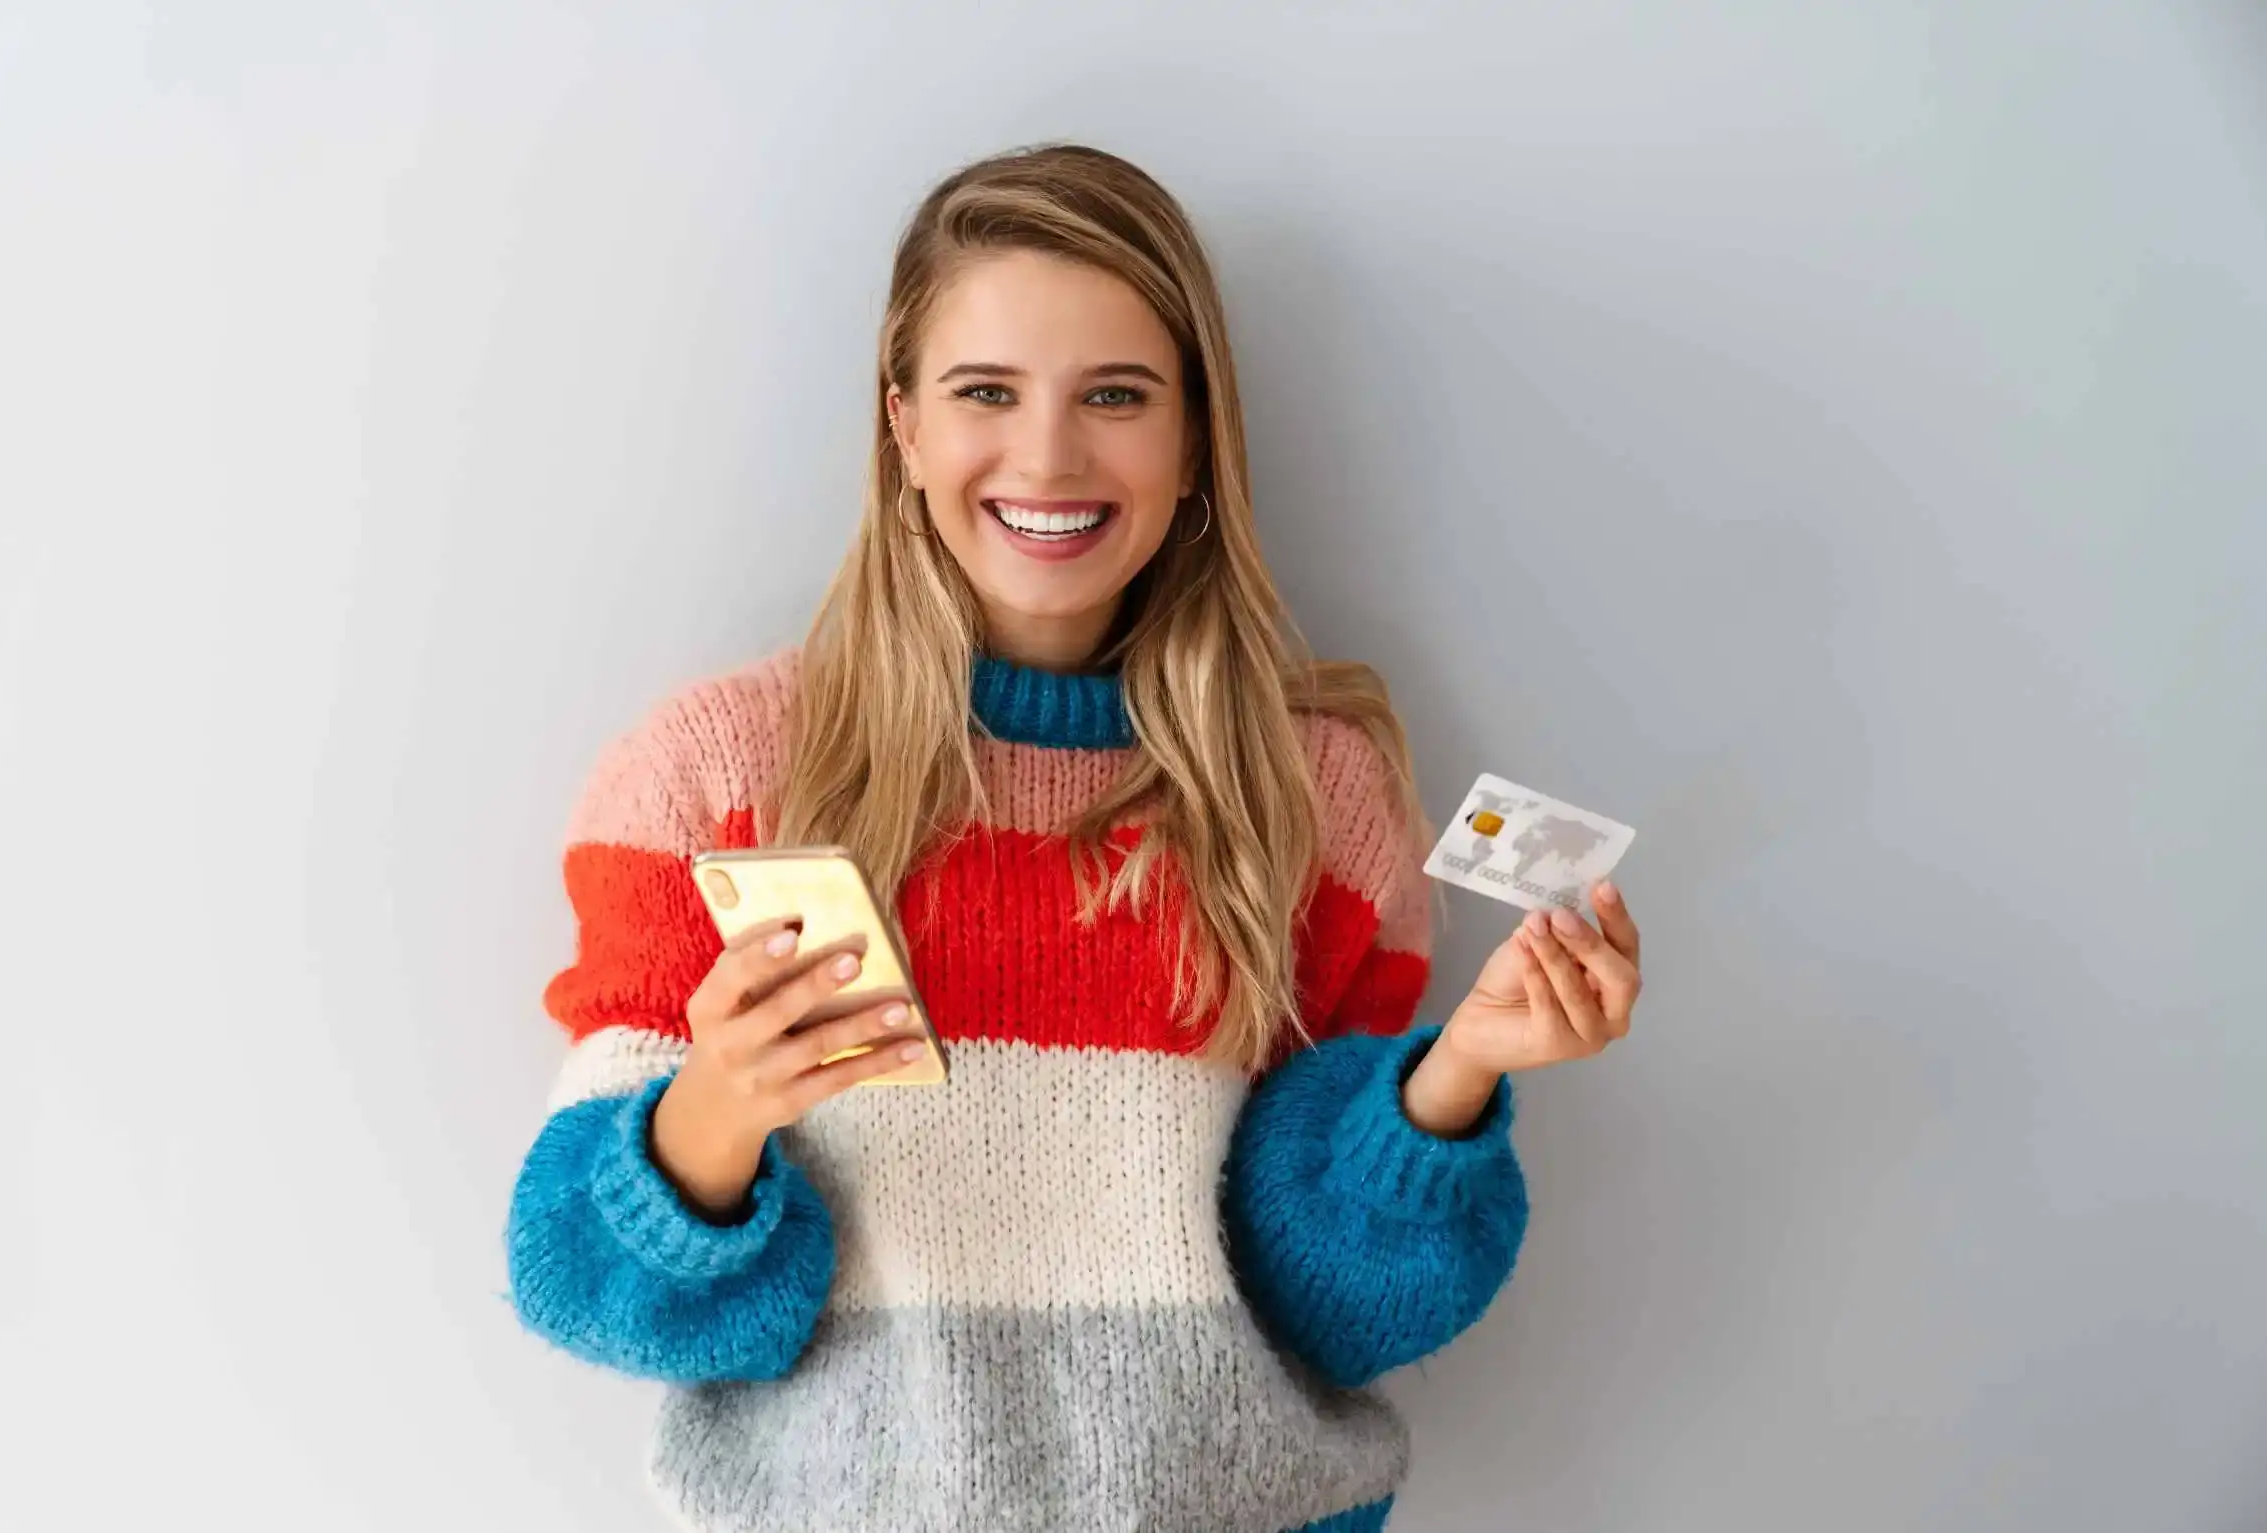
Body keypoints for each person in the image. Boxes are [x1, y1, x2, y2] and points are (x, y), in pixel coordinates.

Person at [504, 142, 1643, 1532]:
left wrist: (1457, 1075)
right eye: (986, 392)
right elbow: (581, 1283)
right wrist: (719, 1109)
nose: (1046, 454)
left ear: (1191, 442)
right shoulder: (711, 778)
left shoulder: (1316, 802)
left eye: (1116, 395)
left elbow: (1333, 1315)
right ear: (902, 429)